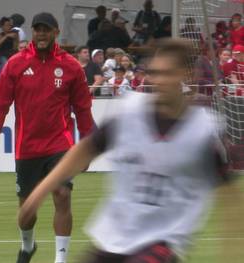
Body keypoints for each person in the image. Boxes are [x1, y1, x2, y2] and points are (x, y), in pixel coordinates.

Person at [18, 39, 235, 263]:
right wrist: (37, 196)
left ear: (187, 75)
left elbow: (228, 192)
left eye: (167, 73)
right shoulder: (130, 112)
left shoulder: (204, 131)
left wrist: (233, 245)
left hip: (163, 240)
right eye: (154, 73)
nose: (158, 80)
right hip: (115, 236)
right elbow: (84, 150)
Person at [0, 13, 94, 263]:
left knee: (62, 196)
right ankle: (27, 246)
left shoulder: (71, 66)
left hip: (60, 144)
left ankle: (61, 259)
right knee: (27, 212)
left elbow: (83, 108)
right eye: (37, 30)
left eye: (46, 30)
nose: (41, 34)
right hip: (27, 147)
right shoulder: (15, 63)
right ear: (33, 32)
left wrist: (87, 145)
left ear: (56, 32)